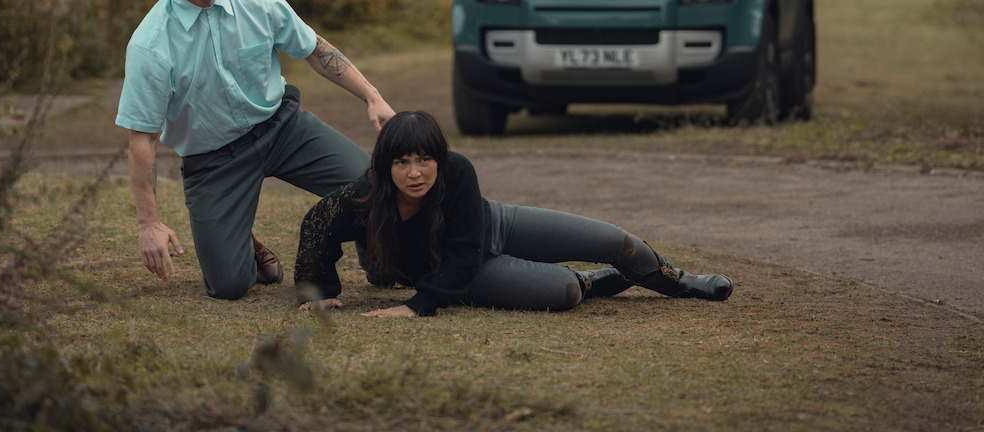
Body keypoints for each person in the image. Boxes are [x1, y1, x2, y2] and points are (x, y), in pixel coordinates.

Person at [115, 0, 395, 300]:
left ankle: (382, 260)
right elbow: (141, 139)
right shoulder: (150, 44)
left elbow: (314, 50)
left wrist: (373, 97)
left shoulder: (258, 1)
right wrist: (149, 224)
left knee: (373, 186)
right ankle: (241, 239)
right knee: (229, 286)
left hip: (282, 129)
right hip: (214, 160)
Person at [294, 110, 732, 316]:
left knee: (614, 240)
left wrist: (415, 308)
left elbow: (467, 244)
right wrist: (320, 291)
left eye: (424, 160)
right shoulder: (361, 198)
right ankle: (595, 282)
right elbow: (315, 226)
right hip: (457, 268)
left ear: (440, 159)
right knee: (565, 292)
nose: (414, 173)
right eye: (401, 162)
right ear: (384, 164)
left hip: (494, 224)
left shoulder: (457, 172)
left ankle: (678, 283)